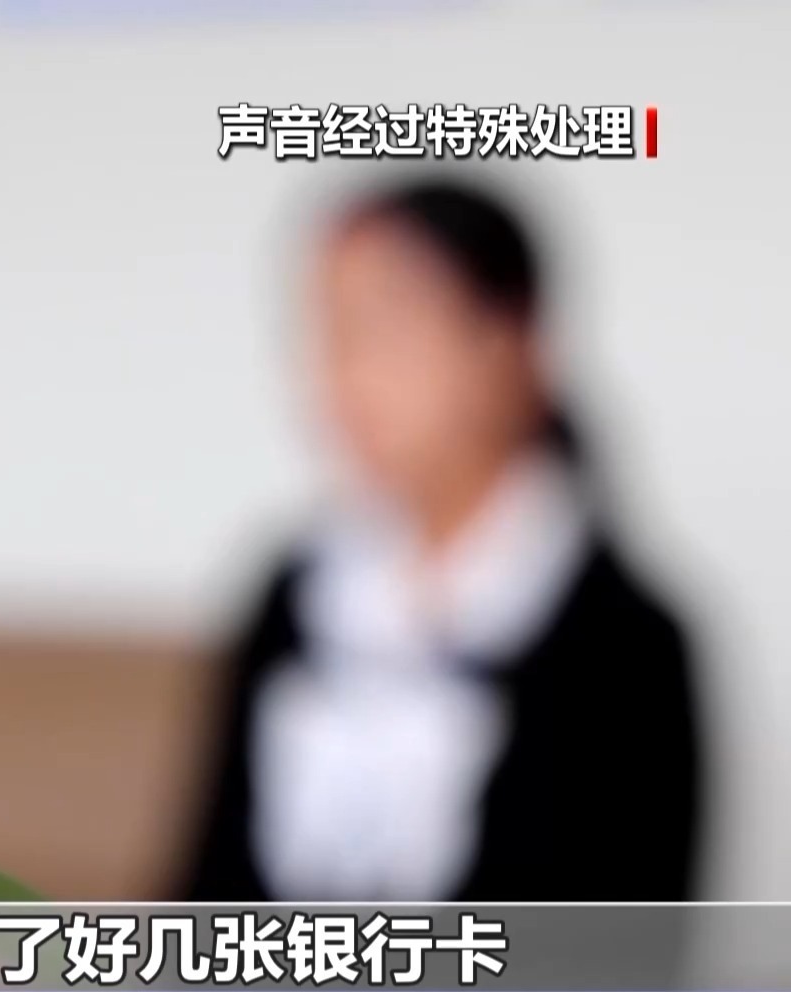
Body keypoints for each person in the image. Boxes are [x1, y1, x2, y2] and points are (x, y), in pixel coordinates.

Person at [176, 178, 706, 903]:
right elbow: (204, 893)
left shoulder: (624, 644)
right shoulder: (293, 593)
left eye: (383, 329)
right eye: (330, 332)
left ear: (509, 344)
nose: (342, 375)